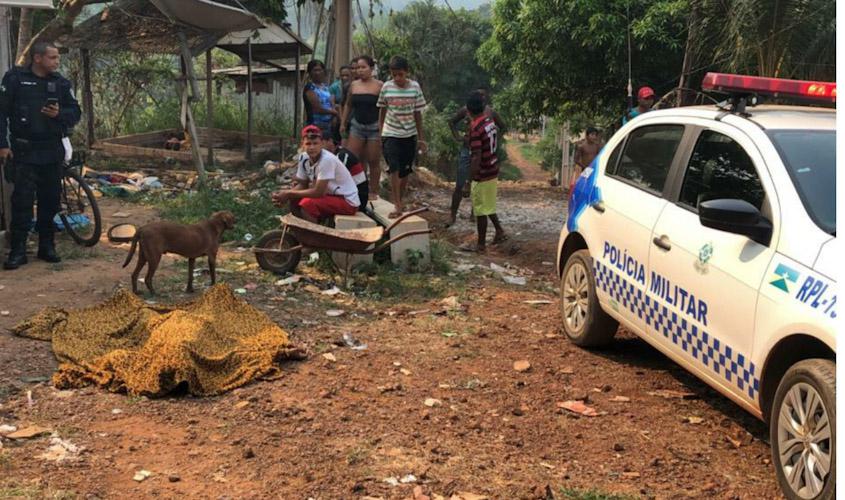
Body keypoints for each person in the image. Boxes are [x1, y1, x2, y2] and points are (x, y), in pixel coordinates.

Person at [1, 41, 81, 270]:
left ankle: (47, 246)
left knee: (50, 200)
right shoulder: (15, 80)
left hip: (51, 150)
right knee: (22, 201)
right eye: (52, 57)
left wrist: (59, 114)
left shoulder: (61, 84)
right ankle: (18, 250)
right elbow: (1, 112)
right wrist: (2, 144)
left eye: (57, 57)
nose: (57, 62)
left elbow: (75, 112)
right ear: (37, 58)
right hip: (24, 151)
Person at [271, 125, 360, 222]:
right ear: (302, 145)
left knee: (308, 204)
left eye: (315, 143)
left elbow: (319, 192)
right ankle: (300, 231)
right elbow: (303, 184)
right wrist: (284, 196)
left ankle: (313, 235)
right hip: (331, 196)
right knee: (295, 200)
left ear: (321, 144)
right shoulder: (304, 158)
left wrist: (288, 193)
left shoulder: (327, 160)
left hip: (347, 201)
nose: (312, 147)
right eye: (308, 144)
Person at [447, 88, 505, 227]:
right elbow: (451, 122)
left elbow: (502, 127)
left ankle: (475, 215)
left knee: (479, 186)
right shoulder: (466, 111)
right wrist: (459, 137)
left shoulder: (490, 114)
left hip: (481, 154)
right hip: (468, 150)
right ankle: (453, 215)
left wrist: (493, 139)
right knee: (460, 185)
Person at [377, 56, 427, 218]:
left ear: (407, 72)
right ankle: (397, 204)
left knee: (405, 171)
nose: (397, 78)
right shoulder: (386, 87)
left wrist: (421, 138)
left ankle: (401, 198)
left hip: (409, 134)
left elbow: (417, 113)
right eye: (394, 75)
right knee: (394, 168)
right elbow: (382, 110)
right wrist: (380, 132)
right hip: (390, 133)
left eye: (400, 74)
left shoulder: (415, 87)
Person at [463, 91, 506, 253]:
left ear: (468, 111)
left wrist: (469, 181)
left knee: (480, 209)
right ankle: (499, 231)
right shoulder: (489, 121)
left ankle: (481, 245)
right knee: (488, 204)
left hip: (482, 172)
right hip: (493, 168)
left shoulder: (475, 128)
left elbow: (476, 157)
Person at [341, 56, 383, 200]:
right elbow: (348, 104)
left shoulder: (380, 86)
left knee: (373, 160)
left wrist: (384, 127)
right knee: (351, 159)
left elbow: (386, 108)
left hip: (374, 127)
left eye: (363, 67)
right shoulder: (353, 85)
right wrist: (343, 122)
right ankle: (353, 188)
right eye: (358, 67)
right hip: (357, 126)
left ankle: (374, 191)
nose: (360, 70)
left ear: (371, 69)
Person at [319, 128, 368, 211]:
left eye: (320, 143)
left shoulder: (342, 156)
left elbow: (332, 181)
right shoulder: (330, 157)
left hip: (356, 198)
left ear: (330, 141)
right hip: (345, 194)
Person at [302, 60, 338, 134]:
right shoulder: (310, 87)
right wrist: (334, 113)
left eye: (319, 70)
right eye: (315, 70)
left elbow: (332, 102)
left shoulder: (326, 87)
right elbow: (317, 109)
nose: (317, 73)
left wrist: (334, 114)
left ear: (324, 72)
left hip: (328, 125)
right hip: (316, 125)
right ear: (310, 73)